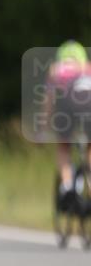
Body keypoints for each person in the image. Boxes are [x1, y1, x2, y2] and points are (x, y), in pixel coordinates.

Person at [47, 40, 91, 212]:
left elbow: (48, 100)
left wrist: (44, 126)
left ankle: (67, 186)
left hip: (68, 105)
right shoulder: (88, 67)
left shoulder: (56, 69)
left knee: (63, 145)